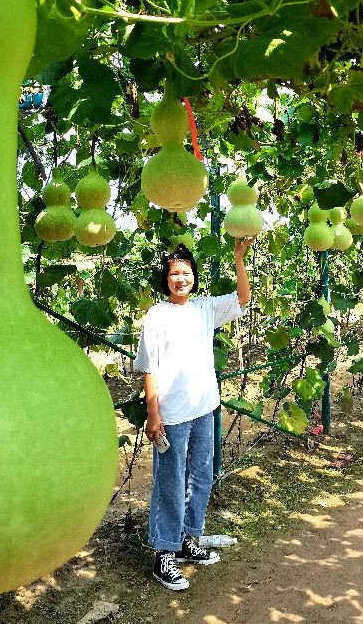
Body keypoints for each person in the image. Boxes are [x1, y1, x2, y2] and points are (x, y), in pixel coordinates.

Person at [134, 238, 255, 591]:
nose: (180, 279)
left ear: (194, 277)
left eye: (185, 272)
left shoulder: (205, 309)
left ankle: (188, 540)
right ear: (166, 279)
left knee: (200, 477)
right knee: (170, 483)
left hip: (204, 409)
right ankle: (164, 554)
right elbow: (149, 368)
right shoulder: (156, 316)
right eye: (174, 274)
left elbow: (243, 299)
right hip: (171, 415)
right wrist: (153, 414)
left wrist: (238, 257)